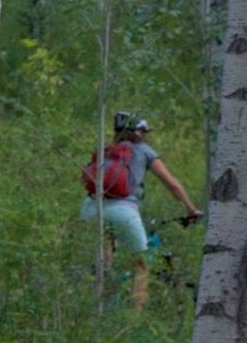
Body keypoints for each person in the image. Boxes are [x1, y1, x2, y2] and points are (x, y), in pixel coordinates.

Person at [80, 112, 200, 306]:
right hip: (124, 211)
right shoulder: (144, 150)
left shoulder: (106, 150)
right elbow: (173, 185)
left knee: (105, 257)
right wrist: (191, 209)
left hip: (90, 209)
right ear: (137, 132)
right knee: (141, 264)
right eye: (144, 132)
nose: (145, 136)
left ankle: (98, 304)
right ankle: (133, 318)